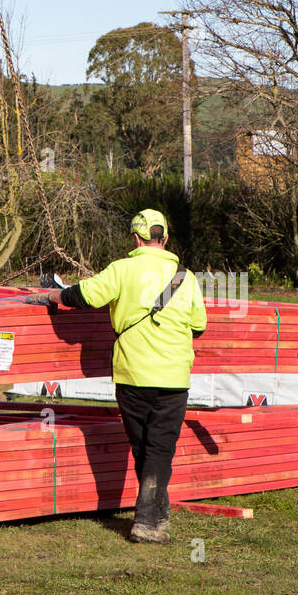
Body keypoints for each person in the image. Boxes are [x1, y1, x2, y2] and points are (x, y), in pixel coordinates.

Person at [38, 209, 206, 543]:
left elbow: (85, 295)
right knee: (158, 448)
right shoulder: (184, 277)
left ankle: (151, 518)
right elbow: (199, 327)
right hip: (173, 377)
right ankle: (151, 520)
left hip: (132, 375)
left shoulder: (122, 270)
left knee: (144, 445)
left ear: (136, 237)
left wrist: (56, 295)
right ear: (166, 238)